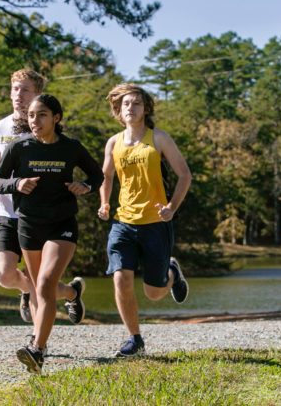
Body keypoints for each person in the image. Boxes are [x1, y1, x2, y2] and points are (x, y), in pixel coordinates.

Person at [0, 94, 103, 374]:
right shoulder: (19, 147)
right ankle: (72, 292)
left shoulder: (71, 148)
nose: (35, 120)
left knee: (43, 284)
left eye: (42, 115)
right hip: (29, 225)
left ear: (56, 118)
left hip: (61, 224)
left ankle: (37, 349)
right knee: (39, 287)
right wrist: (18, 183)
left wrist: (86, 187)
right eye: (31, 115)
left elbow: (97, 175)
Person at [97, 83, 192, 358]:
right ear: (118, 109)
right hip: (123, 222)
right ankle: (134, 339)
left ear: (146, 108)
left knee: (153, 293)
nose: (131, 108)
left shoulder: (159, 138)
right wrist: (104, 203)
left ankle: (172, 272)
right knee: (120, 278)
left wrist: (172, 207)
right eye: (126, 103)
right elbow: (106, 176)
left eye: (136, 103)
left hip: (155, 223)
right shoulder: (113, 142)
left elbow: (184, 175)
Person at [0, 69, 46, 323]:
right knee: (4, 274)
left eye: (26, 89)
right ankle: (31, 291)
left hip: (36, 216)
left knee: (39, 280)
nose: (19, 95)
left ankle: (36, 343)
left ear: (37, 94)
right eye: (15, 89)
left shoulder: (43, 128)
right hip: (7, 215)